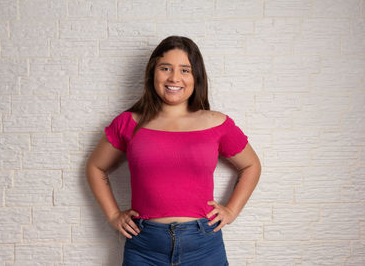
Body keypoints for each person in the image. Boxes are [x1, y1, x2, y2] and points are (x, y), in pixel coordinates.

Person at [85, 36, 261, 266]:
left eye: (185, 70)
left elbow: (251, 165)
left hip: (204, 245)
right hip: (144, 247)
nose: (174, 78)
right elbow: (95, 167)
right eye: (165, 68)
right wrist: (113, 215)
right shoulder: (128, 122)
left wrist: (231, 210)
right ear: (152, 73)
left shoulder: (217, 123)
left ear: (196, 77)